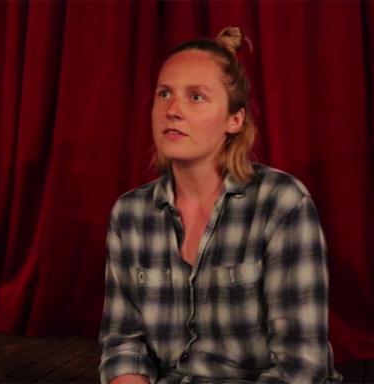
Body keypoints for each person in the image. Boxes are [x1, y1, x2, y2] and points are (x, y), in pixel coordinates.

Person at [99, 27, 341, 384]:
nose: (173, 110)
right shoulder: (130, 215)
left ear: (235, 119)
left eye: (196, 97)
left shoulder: (282, 203)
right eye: (164, 94)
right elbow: (123, 343)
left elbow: (301, 366)